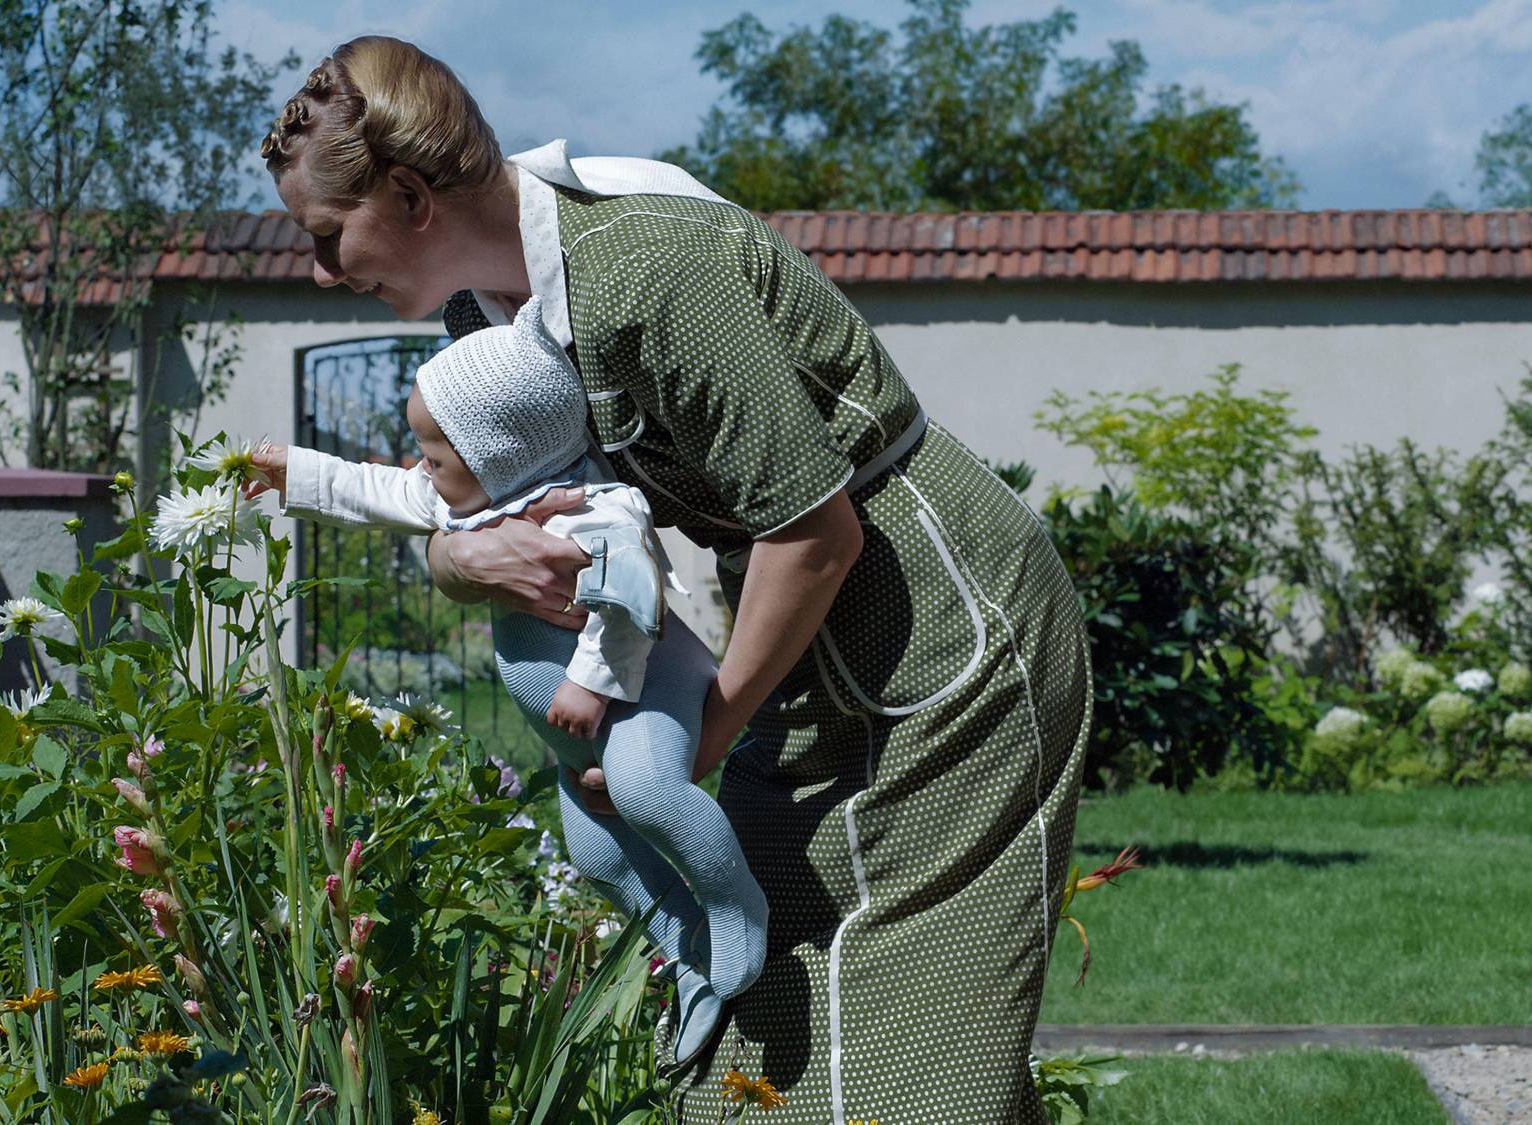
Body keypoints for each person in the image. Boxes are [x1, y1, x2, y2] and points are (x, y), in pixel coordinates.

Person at [253, 35, 1093, 1124]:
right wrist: (463, 559)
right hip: (797, 645)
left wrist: (702, 744)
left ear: (409, 194)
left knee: (912, 1053)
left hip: (940, 632)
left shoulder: (647, 272)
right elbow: (461, 513)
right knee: (762, 1030)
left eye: (328, 235)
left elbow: (817, 536)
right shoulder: (484, 322)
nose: (322, 272)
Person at [259, 297, 766, 1065]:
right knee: (597, 855)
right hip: (577, 732)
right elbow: (372, 490)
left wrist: (591, 683)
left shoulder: (595, 508)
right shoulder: (474, 502)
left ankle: (735, 908)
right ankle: (683, 942)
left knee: (645, 790)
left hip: (645, 691)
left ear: (498, 452)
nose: (418, 465)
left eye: (434, 453)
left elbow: (632, 596)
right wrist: (289, 472)